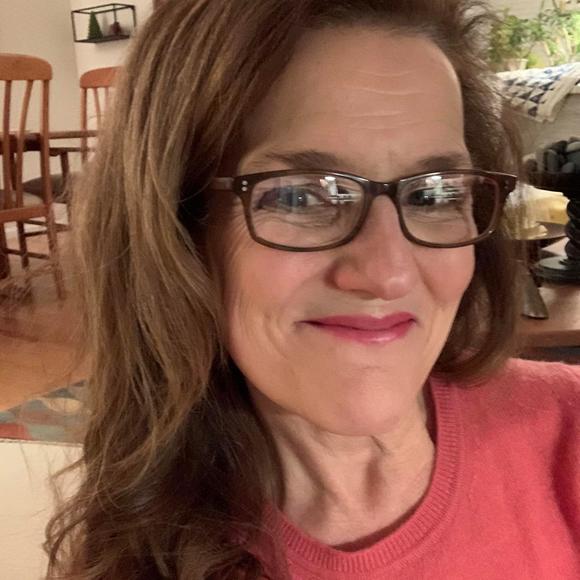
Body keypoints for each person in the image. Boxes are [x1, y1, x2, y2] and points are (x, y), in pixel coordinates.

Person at [46, 0, 580, 578]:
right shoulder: (139, 548)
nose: (389, 273)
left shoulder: (567, 430)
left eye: (433, 194)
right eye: (300, 196)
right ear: (177, 228)